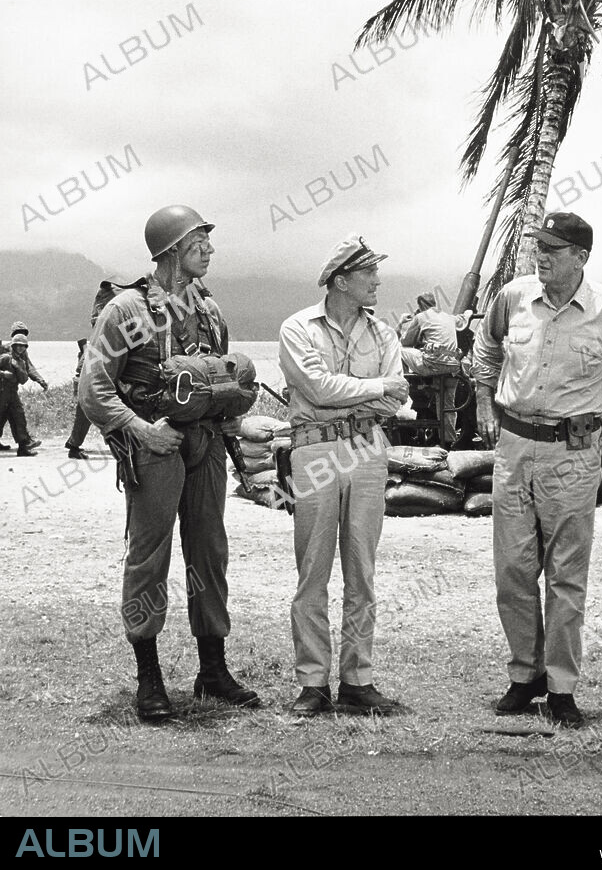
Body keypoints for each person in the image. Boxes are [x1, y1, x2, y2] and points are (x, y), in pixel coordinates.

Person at [472, 212, 602, 728]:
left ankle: (561, 687)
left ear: (581, 257)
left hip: (573, 454)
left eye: (554, 250)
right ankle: (525, 676)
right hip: (514, 449)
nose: (542, 256)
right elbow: (487, 347)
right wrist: (481, 399)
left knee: (565, 575)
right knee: (512, 571)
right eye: (539, 247)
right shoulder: (514, 297)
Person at [79, 205, 259, 721]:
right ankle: (149, 678)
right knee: (148, 558)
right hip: (154, 450)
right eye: (199, 240)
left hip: (205, 448)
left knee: (209, 555)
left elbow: (218, 385)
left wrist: (235, 431)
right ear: (171, 249)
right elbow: (94, 389)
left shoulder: (211, 310)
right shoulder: (127, 312)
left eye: (206, 240)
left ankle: (213, 670)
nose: (209, 249)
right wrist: (140, 430)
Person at [278, 234, 410, 717]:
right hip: (315, 452)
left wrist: (348, 395)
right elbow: (314, 387)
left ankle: (357, 680)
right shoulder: (298, 328)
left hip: (368, 450)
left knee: (362, 569)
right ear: (340, 281)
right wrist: (373, 389)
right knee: (312, 570)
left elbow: (397, 399)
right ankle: (312, 683)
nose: (377, 280)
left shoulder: (385, 334)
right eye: (368, 272)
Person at [398, 293, 473, 447]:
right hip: (452, 367)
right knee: (448, 407)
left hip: (433, 366)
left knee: (399, 349)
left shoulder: (421, 317)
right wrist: (468, 313)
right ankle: (448, 443)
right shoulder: (449, 317)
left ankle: (403, 382)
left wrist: (405, 323)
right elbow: (463, 320)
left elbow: (407, 342)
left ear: (420, 305)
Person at [0, 321, 45, 451]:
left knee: (14, 415)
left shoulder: (22, 351)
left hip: (11, 390)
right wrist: (3, 374)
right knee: (8, 415)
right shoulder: (4, 351)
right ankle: (24, 442)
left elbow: (29, 367)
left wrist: (40, 380)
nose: (21, 336)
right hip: (2, 390)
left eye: (23, 334)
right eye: (17, 333)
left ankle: (24, 442)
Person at [65, 339, 92, 459]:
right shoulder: (91, 348)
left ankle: (73, 442)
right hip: (90, 386)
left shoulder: (91, 347)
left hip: (90, 385)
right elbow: (81, 369)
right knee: (84, 417)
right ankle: (73, 446)